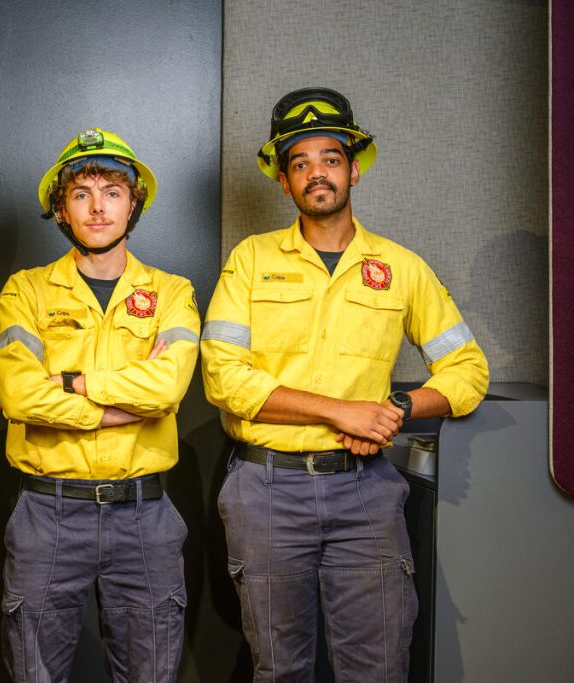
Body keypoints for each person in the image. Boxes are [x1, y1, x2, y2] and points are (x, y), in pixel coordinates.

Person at [201, 89, 489, 682]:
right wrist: (342, 413)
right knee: (280, 670)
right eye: (299, 163)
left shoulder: (402, 267)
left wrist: (395, 408)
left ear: (354, 168)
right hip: (266, 491)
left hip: (365, 494)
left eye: (329, 158)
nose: (316, 174)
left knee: (379, 668)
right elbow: (223, 378)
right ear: (283, 182)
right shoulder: (249, 261)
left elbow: (468, 371)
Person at [0, 128, 200, 682]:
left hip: (145, 516)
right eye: (81, 193)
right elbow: (18, 393)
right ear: (61, 209)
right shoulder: (26, 292)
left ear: (134, 204)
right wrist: (117, 407)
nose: (98, 206)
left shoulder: (173, 292)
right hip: (48, 513)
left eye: (112, 191)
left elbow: (167, 390)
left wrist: (75, 383)